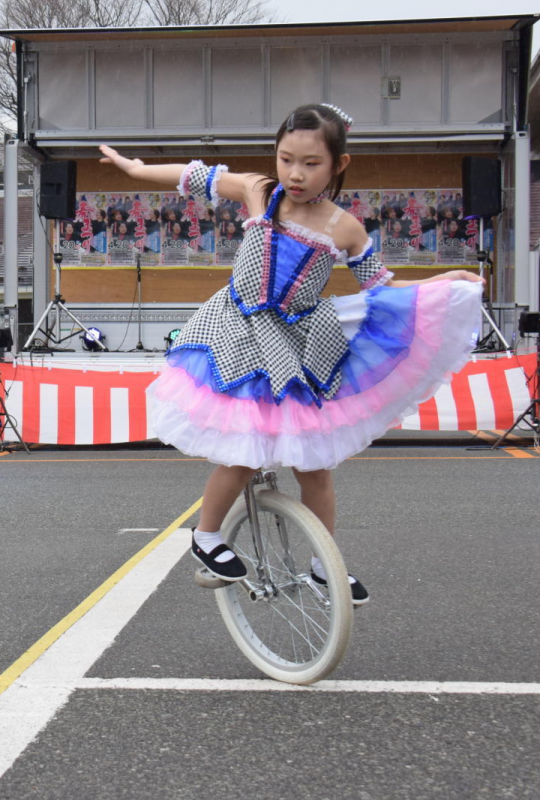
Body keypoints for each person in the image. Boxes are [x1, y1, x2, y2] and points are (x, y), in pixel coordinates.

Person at [99, 103, 483, 605]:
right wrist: (134, 169)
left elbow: (382, 289)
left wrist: (440, 281)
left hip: (298, 341)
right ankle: (206, 536)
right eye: (286, 159)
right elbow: (193, 176)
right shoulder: (258, 191)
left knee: (316, 465)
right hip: (239, 329)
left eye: (311, 163)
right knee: (244, 449)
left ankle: (325, 567)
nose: (296, 173)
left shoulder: (345, 228)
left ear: (339, 165)